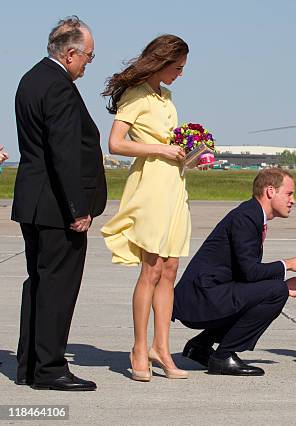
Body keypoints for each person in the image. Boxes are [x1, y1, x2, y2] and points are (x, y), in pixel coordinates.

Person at [12, 16, 106, 391]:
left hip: (34, 201)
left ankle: (30, 365)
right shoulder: (60, 87)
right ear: (70, 54)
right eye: (89, 56)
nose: (88, 64)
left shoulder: (30, 79)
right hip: (56, 207)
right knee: (57, 288)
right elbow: (64, 152)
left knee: (38, 283)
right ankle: (49, 369)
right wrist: (78, 207)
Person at [100, 35, 191, 382]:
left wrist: (185, 153)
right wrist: (161, 150)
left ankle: (161, 347)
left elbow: (169, 143)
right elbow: (116, 142)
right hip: (151, 185)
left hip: (174, 185)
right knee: (151, 269)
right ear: (163, 61)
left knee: (170, 269)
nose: (180, 75)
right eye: (178, 68)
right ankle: (139, 347)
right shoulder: (136, 95)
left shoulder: (166, 98)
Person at [174, 169, 296, 376]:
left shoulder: (251, 214)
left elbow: (244, 273)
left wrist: (281, 287)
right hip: (201, 298)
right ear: (270, 191)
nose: (293, 200)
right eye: (289, 194)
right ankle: (223, 356)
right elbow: (250, 272)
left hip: (207, 294)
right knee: (275, 291)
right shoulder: (247, 217)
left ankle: (200, 346)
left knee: (275, 290)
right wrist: (288, 265)